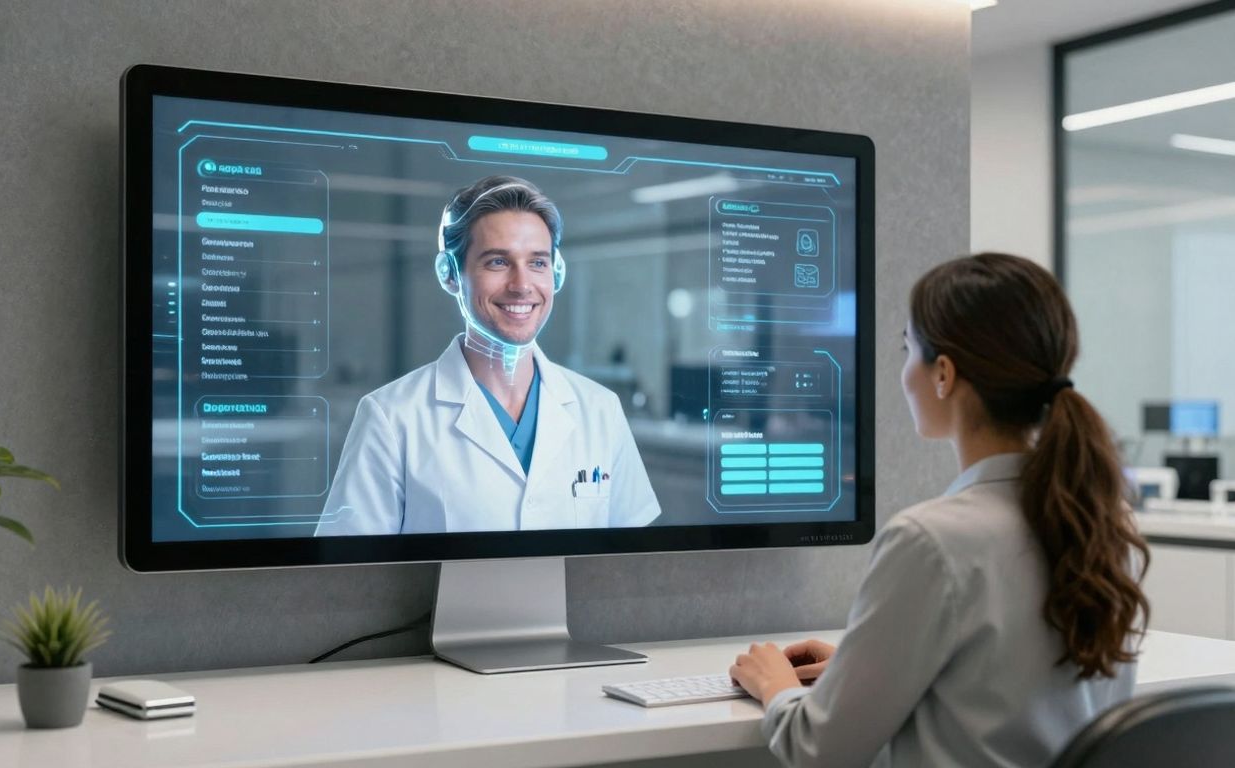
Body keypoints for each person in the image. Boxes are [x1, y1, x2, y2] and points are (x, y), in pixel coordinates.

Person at [728, 253, 1150, 766]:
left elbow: (819, 750)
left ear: (943, 374)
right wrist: (864, 673)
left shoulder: (930, 540)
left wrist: (776, 687)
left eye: (909, 351)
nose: (905, 372)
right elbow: (1012, 693)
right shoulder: (1103, 525)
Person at [315, 176, 661, 535]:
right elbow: (347, 576)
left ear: (556, 273)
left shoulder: (600, 409)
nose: (522, 285)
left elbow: (632, 565)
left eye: (537, 263)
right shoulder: (391, 418)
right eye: (498, 262)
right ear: (449, 274)